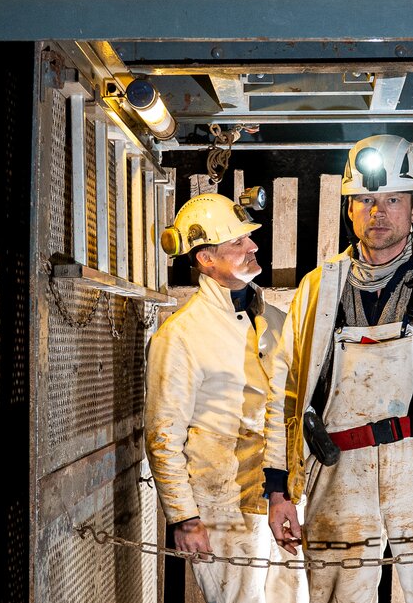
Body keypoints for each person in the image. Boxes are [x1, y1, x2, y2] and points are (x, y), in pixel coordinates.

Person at [262, 134, 413, 603]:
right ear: (350, 208)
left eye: (394, 199)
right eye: (367, 200)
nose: (379, 212)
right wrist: (278, 490)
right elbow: (283, 393)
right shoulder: (316, 291)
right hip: (337, 470)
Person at [145, 192, 308, 603]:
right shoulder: (180, 336)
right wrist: (184, 518)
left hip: (280, 493)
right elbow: (163, 435)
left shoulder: (275, 321)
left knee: (293, 598)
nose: (252, 246)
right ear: (205, 258)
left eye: (248, 238)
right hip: (220, 503)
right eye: (237, 242)